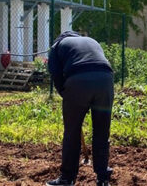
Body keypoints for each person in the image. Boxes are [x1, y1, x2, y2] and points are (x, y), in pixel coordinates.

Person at [47, 31, 114, 186]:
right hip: (105, 80)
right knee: (102, 132)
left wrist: (65, 93)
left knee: (72, 131)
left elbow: (55, 74)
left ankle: (67, 178)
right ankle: (103, 178)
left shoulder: (57, 46)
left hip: (78, 80)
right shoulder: (92, 40)